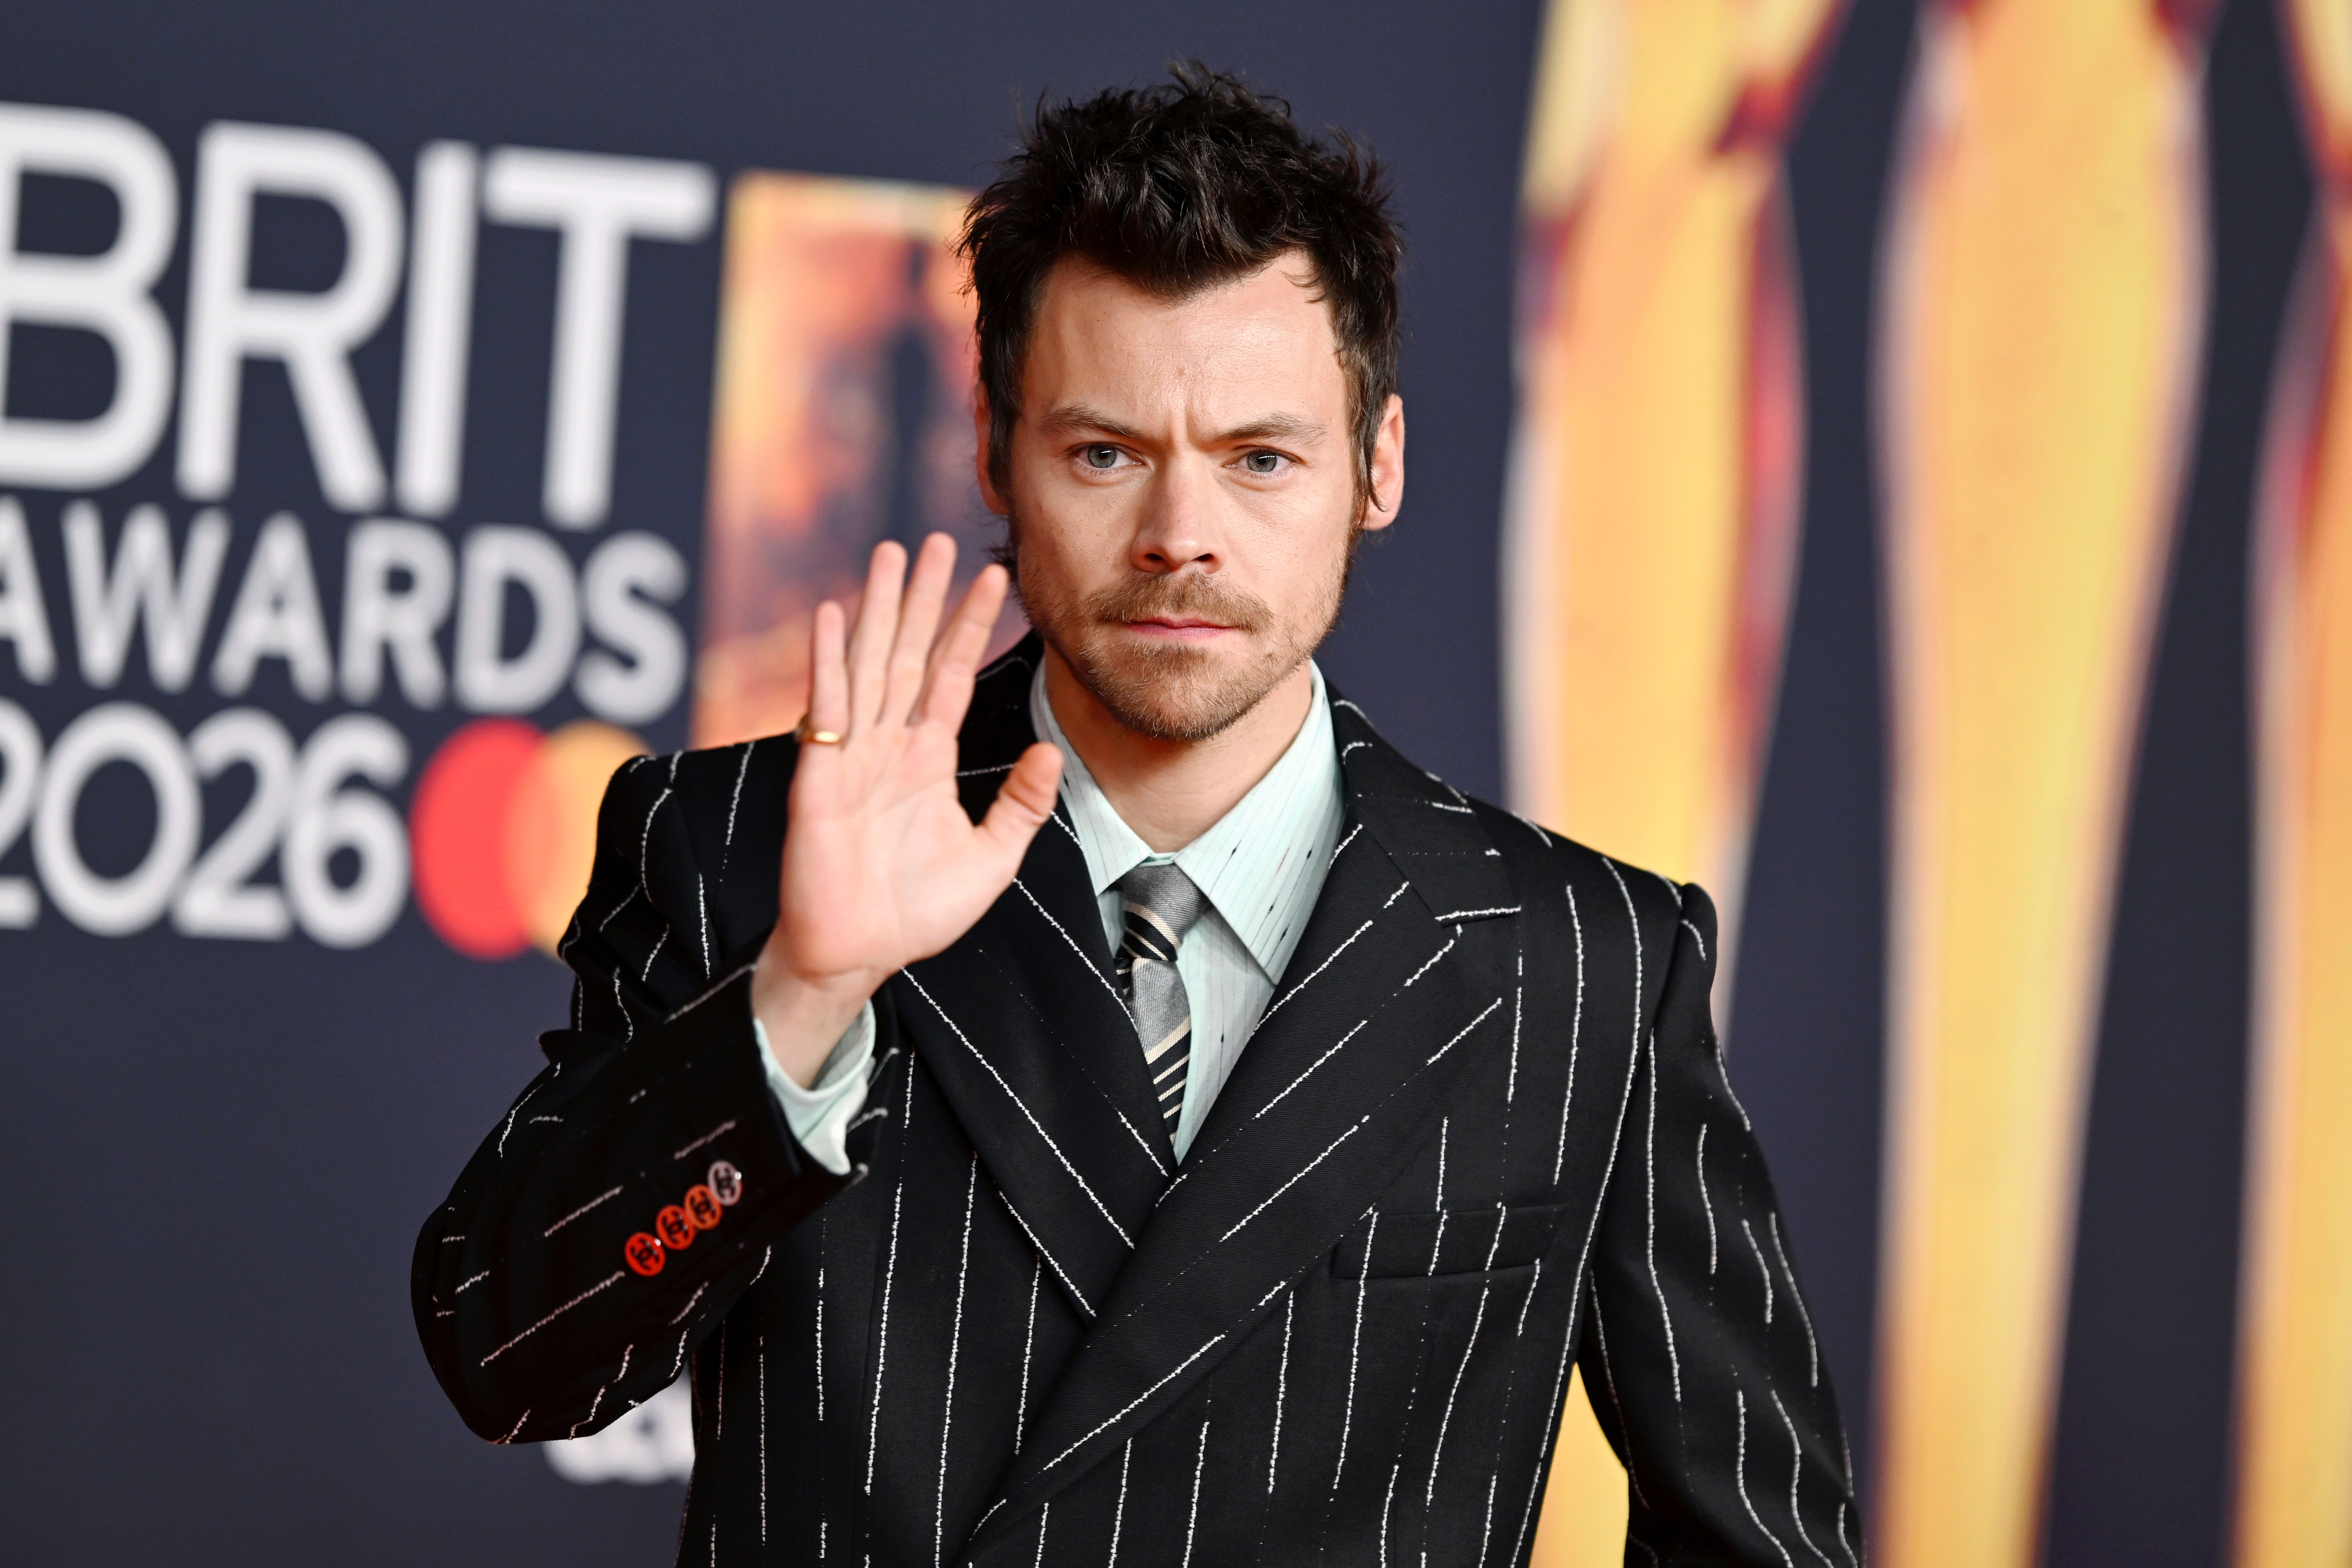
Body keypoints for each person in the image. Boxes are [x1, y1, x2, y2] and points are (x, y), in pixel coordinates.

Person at [414, 64, 1856, 1567]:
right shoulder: (735, 847)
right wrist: (801, 999)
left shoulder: (1580, 964)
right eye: (1104, 454)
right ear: (994, 449)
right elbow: (508, 1357)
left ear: (1378, 465)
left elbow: (1759, 1535)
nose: (1181, 538)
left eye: (1260, 459)